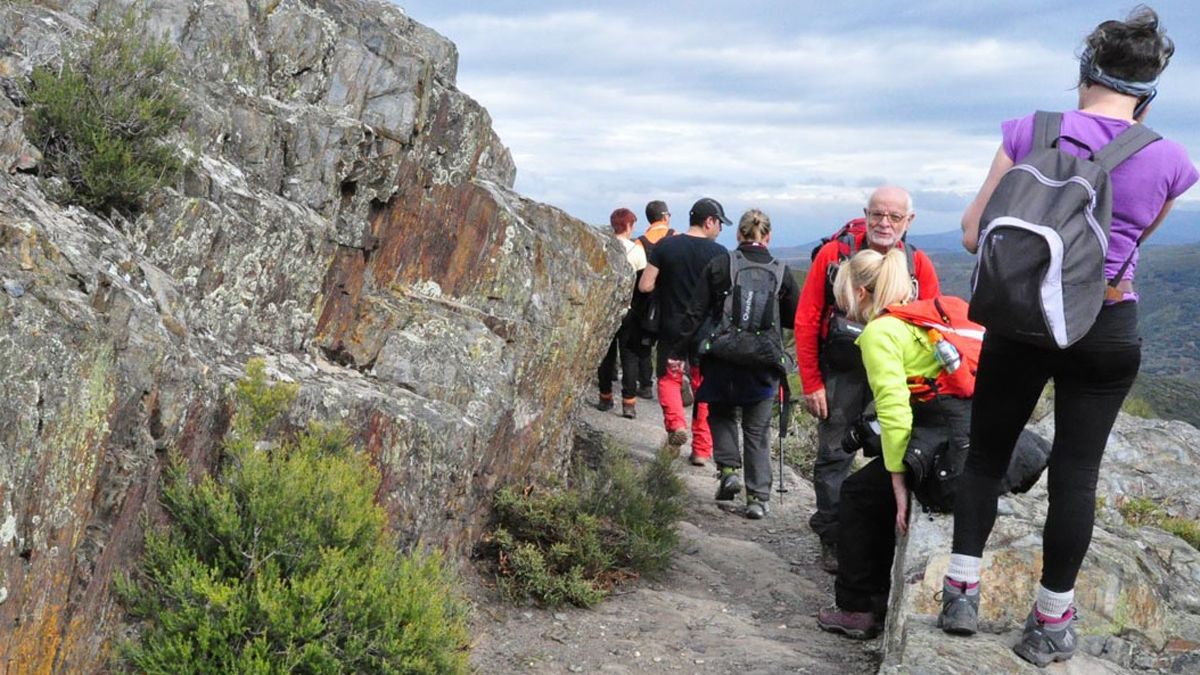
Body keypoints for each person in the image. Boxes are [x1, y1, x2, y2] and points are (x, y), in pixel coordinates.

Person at [940, 8, 1198, 667]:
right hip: (1106, 321)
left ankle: (961, 592)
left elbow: (974, 233)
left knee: (986, 457)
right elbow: (1132, 242)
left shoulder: (1030, 129)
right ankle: (1051, 622)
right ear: (1149, 90)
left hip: (1022, 316)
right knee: (1076, 473)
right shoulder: (1169, 157)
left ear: (1085, 70)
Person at [811, 248, 969, 639]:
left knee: (858, 494)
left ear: (861, 293)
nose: (842, 304)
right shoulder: (919, 318)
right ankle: (877, 596)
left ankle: (858, 608)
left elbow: (896, 413)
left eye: (844, 294)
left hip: (948, 444)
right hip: (975, 435)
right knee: (872, 492)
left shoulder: (880, 332)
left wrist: (899, 479)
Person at [794, 186, 941, 573]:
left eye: (894, 217)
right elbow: (807, 317)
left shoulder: (918, 264)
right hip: (841, 375)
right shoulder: (834, 255)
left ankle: (880, 535)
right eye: (877, 214)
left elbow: (933, 325)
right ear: (865, 213)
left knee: (899, 453)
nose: (884, 223)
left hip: (894, 376)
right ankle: (834, 537)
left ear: (909, 221)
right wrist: (811, 382)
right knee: (834, 456)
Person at [679, 209, 800, 518]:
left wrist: (679, 349)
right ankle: (758, 498)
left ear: (738, 235)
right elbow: (792, 317)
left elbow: (696, 311)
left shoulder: (721, 265)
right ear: (768, 236)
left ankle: (729, 468)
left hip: (722, 358)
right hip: (762, 363)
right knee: (757, 431)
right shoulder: (782, 271)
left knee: (720, 415)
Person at [638, 197, 728, 465]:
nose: (720, 229)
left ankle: (676, 424)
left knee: (669, 379)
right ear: (709, 221)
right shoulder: (720, 253)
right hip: (705, 330)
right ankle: (701, 449)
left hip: (671, 326)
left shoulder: (667, 246)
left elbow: (645, 285)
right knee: (704, 386)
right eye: (719, 223)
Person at [596, 207, 648, 418]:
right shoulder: (636, 251)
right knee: (630, 357)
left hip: (605, 308)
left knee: (606, 356)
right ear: (628, 225)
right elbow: (643, 284)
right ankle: (629, 403)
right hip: (630, 312)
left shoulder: (604, 247)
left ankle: (605, 397)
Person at [632, 200, 676, 399]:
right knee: (670, 344)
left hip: (647, 300)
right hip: (672, 299)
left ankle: (646, 383)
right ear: (665, 216)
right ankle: (671, 384)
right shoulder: (676, 237)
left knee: (644, 344)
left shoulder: (640, 242)